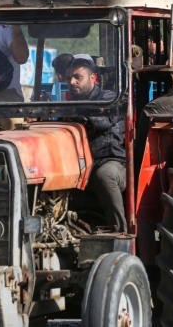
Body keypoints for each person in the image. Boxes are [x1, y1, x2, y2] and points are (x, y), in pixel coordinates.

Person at [64, 56, 126, 232]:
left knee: (105, 175)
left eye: (78, 77)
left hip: (111, 160)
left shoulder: (109, 98)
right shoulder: (68, 104)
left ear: (93, 78)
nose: (72, 82)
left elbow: (104, 121)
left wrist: (81, 115)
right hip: (81, 162)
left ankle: (119, 230)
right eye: (69, 78)